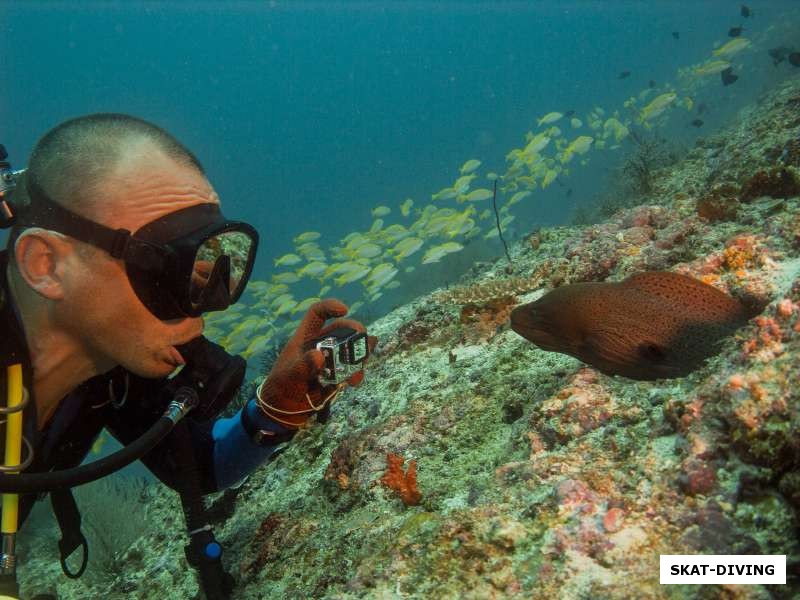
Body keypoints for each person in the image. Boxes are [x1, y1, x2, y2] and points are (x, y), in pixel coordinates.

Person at [0, 113, 376, 598]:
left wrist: (275, 409)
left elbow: (201, 467)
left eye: (206, 276)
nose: (198, 316)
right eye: (162, 272)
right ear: (45, 265)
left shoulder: (111, 369)